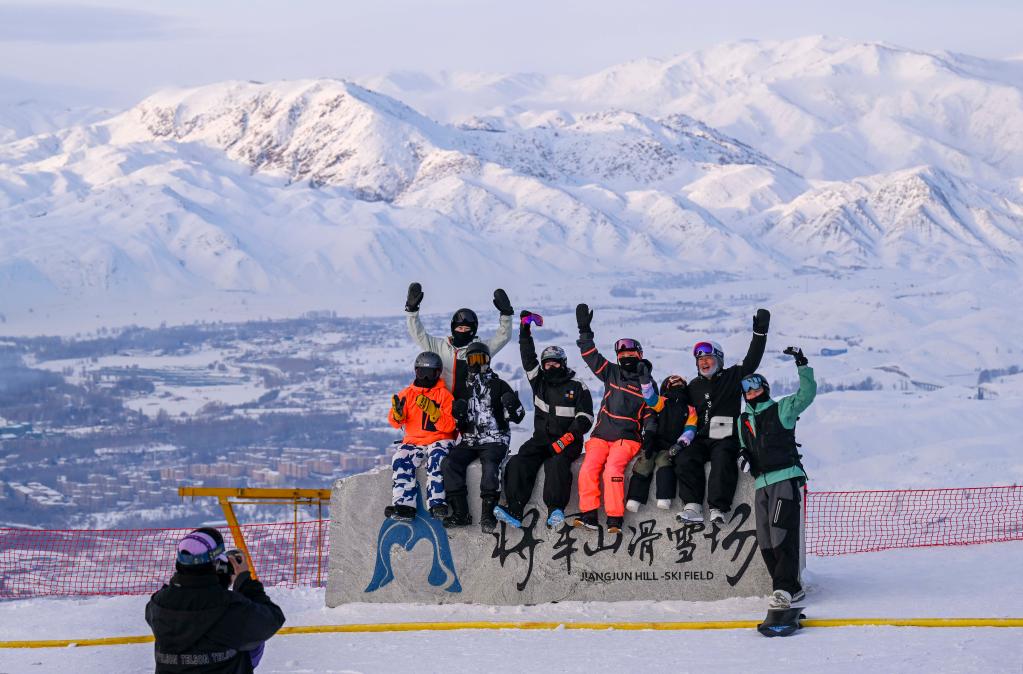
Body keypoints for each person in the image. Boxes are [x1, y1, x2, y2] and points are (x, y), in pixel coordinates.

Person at [494, 310, 595, 530]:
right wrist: (525, 330)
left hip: (567, 441)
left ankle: (555, 510)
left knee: (557, 465)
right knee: (519, 462)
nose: (551, 367)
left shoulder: (578, 387)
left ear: (564, 364)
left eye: (555, 363)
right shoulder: (539, 382)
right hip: (541, 439)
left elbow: (585, 419)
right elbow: (528, 358)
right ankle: (515, 508)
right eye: (547, 364)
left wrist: (566, 439)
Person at [737, 347, 816, 610]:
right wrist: (742, 456)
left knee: (782, 532)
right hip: (762, 483)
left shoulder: (782, 409)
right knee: (766, 537)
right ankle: (786, 587)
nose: (751, 392)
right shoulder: (743, 420)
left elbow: (807, 395)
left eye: (756, 387)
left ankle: (784, 588)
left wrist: (801, 364)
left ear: (766, 389)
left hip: (785, 478)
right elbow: (742, 446)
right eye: (747, 390)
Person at [674, 308, 770, 525]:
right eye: (700, 360)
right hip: (700, 436)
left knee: (723, 458)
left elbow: (751, 361)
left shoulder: (732, 376)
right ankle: (693, 506)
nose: (704, 363)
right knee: (685, 457)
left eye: (708, 358)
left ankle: (718, 507)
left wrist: (760, 333)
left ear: (718, 359)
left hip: (724, 435)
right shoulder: (693, 386)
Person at [572, 303, 661, 534]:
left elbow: (652, 411)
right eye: (622, 355)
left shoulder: (647, 384)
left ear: (640, 356)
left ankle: (614, 518)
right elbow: (590, 356)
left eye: (631, 354)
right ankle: (589, 513)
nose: (627, 358)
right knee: (588, 469)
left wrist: (650, 434)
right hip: (601, 436)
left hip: (626, 439)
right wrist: (584, 331)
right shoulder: (611, 372)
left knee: (612, 471)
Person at [145, 527, 285, 674]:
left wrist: (212, 583)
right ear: (216, 564)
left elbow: (193, 602)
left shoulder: (158, 603)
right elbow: (272, 618)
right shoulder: (230, 607)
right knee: (253, 640)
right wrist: (244, 582)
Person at [441, 341, 525, 532]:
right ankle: (461, 512)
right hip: (470, 440)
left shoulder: (499, 385)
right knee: (449, 463)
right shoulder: (462, 389)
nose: (478, 364)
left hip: (495, 438)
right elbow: (458, 424)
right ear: (467, 362)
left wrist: (512, 405)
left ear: (488, 360)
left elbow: (518, 417)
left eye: (482, 359)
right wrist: (459, 416)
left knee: (490, 465)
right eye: (473, 359)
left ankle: (488, 513)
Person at [404, 282, 514, 400]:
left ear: (474, 330)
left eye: (467, 329)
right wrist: (412, 311)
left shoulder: (480, 350)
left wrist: (506, 315)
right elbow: (418, 334)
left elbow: (503, 337)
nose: (463, 331)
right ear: (453, 328)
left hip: (470, 408)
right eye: (460, 328)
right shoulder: (440, 347)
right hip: (442, 405)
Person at [385, 351, 457, 521]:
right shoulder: (407, 394)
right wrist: (397, 414)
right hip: (413, 440)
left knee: (437, 459)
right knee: (400, 458)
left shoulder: (444, 396)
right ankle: (404, 505)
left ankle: (437, 503)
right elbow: (395, 422)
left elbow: (451, 425)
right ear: (416, 372)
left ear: (437, 373)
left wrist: (435, 414)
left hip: (440, 438)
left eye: (429, 374)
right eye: (421, 373)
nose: (425, 378)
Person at [625, 375, 697, 513]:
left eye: (680, 383)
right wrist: (645, 382)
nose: (677, 385)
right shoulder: (663, 402)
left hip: (671, 445)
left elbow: (690, 429)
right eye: (674, 383)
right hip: (655, 442)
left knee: (665, 463)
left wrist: (681, 443)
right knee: (645, 461)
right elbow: (650, 398)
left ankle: (665, 497)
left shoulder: (689, 409)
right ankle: (635, 498)